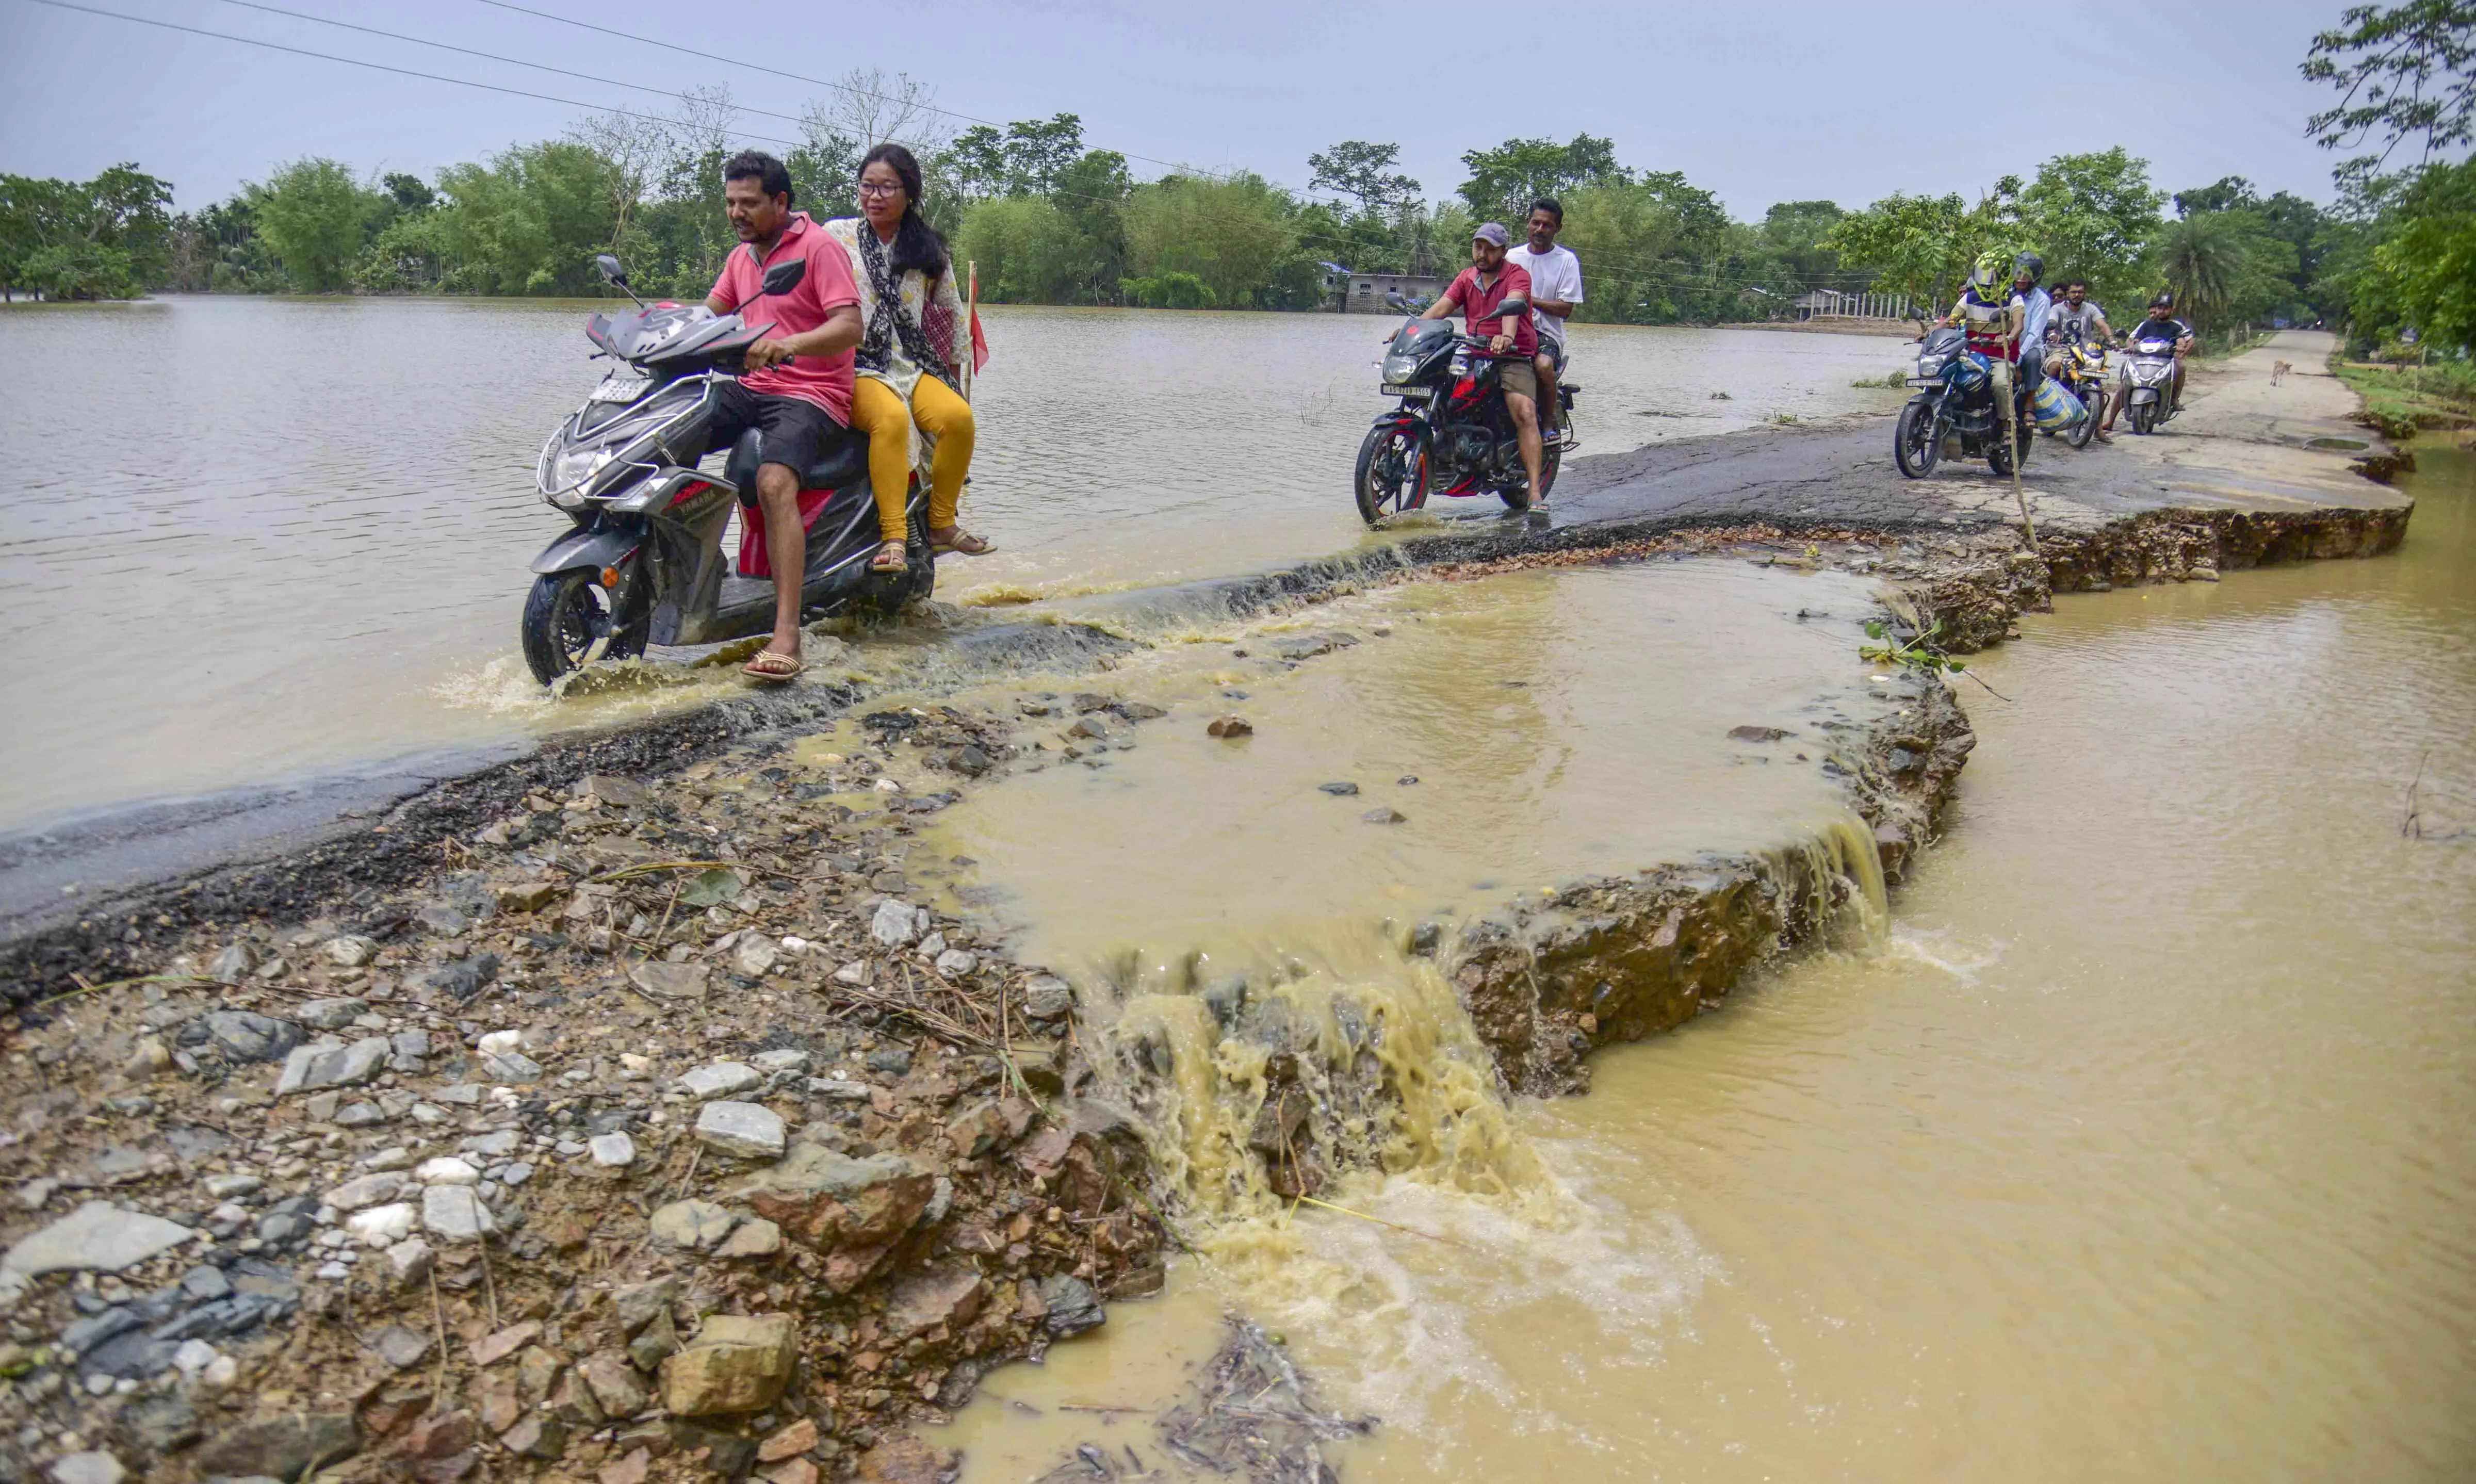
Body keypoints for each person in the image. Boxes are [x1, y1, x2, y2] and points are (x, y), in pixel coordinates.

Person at [702, 150, 864, 682]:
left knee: (774, 483)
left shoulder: (819, 249)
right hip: (753, 386)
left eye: (748, 203)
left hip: (812, 392)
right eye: (730, 203)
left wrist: (787, 344)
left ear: (781, 202)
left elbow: (848, 328)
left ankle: (787, 635)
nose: (737, 213)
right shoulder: (741, 258)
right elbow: (710, 316)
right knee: (668, 430)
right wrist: (653, 330)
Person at [826, 143, 987, 576]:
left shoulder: (928, 248)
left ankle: (940, 523)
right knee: (891, 420)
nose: (875, 197)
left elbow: (952, 315)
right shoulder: (835, 237)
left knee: (957, 418)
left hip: (910, 365)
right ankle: (894, 536)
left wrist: (952, 378)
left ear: (909, 194)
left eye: (887, 188)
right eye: (868, 186)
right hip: (856, 365)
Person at [1418, 222, 1545, 507]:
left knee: (1524, 412)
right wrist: (1411, 328)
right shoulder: (1467, 278)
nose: (1482, 254)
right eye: (1479, 246)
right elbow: (1442, 308)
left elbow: (1514, 303)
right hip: (1475, 353)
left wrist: (1506, 336)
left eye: (1490, 249)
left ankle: (1535, 491)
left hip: (1514, 354)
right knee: (1442, 395)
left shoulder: (1517, 275)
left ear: (1503, 251)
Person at [1506, 197, 1583, 446]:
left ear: (1557, 228)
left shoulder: (1566, 261)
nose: (1539, 229)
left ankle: (1549, 421)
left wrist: (1529, 300)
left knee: (1543, 365)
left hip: (1546, 334)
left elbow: (1566, 309)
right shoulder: (1510, 256)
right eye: (1535, 223)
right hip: (1511, 329)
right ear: (1528, 223)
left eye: (1547, 225)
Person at [2100, 293, 2196, 436]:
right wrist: (2132, 347)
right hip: (2142, 359)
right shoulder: (2147, 325)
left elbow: (2190, 340)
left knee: (2181, 367)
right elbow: (2133, 340)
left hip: (2166, 360)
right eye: (2160, 308)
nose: (2162, 311)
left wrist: (2183, 352)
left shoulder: (2176, 326)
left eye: (2166, 308)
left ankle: (2175, 398)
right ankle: (2110, 422)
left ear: (2171, 310)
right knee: (2123, 387)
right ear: (2156, 309)